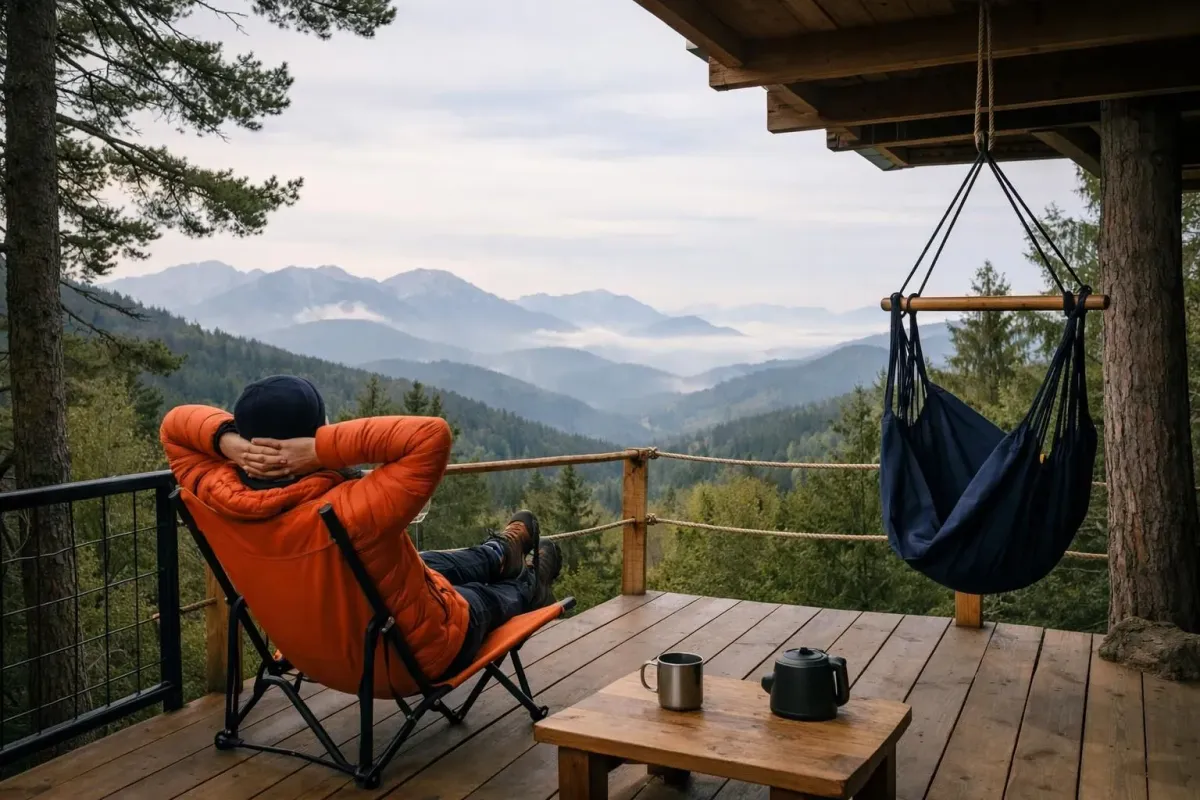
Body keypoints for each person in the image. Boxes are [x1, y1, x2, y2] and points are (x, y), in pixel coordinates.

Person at [160, 374, 562, 691]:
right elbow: (430, 435)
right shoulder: (351, 508)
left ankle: (499, 552)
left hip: (309, 649)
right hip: (407, 657)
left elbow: (175, 425)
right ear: (308, 436)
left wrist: (229, 444)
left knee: (423, 565)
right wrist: (318, 450)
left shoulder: (215, 496)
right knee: (481, 597)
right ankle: (531, 580)